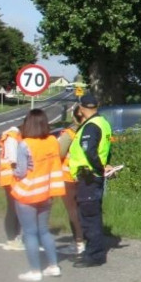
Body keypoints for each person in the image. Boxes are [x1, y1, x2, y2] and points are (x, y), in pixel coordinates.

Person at [11, 108, 65, 281]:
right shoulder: (52, 141)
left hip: (28, 193)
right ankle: (53, 266)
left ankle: (35, 271)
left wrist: (13, 169)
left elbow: (20, 171)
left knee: (30, 233)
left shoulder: (25, 144)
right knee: (44, 231)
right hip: (47, 192)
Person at [68, 93, 113, 268]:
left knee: (89, 217)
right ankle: (91, 251)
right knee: (90, 214)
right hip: (94, 176)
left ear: (81, 108)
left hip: (89, 177)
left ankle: (94, 255)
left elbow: (90, 151)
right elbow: (106, 150)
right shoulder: (103, 123)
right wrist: (105, 165)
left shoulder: (91, 126)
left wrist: (99, 168)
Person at [55, 105, 86, 256]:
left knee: (72, 210)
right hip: (86, 175)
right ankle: (85, 239)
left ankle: (78, 242)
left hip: (68, 176)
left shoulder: (70, 133)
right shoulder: (91, 130)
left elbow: (58, 153)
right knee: (83, 208)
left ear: (74, 117)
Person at [0, 125, 24, 250]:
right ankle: (12, 239)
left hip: (10, 177)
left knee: (15, 208)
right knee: (13, 208)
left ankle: (14, 237)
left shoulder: (13, 136)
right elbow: (13, 160)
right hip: (11, 178)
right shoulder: (13, 137)